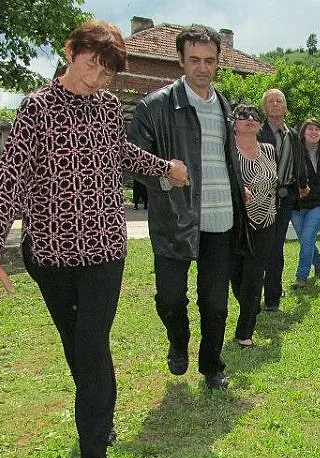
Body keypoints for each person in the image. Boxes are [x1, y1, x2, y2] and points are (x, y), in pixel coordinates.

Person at [0, 20, 188, 458]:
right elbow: (7, 182)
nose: (97, 80)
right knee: (80, 350)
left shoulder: (104, 109)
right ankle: (104, 413)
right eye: (91, 66)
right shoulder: (36, 111)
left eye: (106, 74)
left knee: (91, 343)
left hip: (103, 253)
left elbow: (120, 152)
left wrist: (166, 168)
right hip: (51, 257)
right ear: (71, 51)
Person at [128, 24, 249, 391]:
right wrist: (165, 174)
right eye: (194, 59)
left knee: (215, 305)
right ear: (180, 59)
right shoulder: (155, 107)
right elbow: (131, 161)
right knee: (170, 298)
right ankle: (178, 341)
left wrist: (236, 185)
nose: (202, 67)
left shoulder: (225, 107)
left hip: (220, 220)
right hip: (175, 220)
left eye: (209, 60)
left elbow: (224, 158)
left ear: (218, 63)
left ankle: (212, 365)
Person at [229, 104, 277, 347]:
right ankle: (250, 306)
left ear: (259, 125)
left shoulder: (269, 149)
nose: (249, 119)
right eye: (243, 116)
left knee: (254, 275)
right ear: (234, 123)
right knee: (236, 275)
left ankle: (244, 332)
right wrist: (238, 189)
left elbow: (274, 179)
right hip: (237, 223)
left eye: (254, 116)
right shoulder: (228, 150)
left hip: (266, 219)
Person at [257, 88, 307, 311]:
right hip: (260, 197)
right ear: (264, 108)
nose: (275, 104)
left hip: (285, 197)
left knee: (276, 246)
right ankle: (255, 291)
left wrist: (303, 185)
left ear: (286, 107)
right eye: (270, 101)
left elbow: (300, 162)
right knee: (261, 247)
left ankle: (272, 297)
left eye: (279, 101)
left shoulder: (293, 134)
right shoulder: (258, 132)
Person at [291, 119, 320, 289]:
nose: (314, 132)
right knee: (305, 239)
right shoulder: (295, 152)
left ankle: (301, 276)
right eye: (310, 129)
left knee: (308, 237)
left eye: (317, 129)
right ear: (303, 132)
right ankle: (318, 261)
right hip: (298, 204)